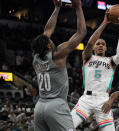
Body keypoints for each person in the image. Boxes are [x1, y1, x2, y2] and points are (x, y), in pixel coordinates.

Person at [31, 0, 87, 130]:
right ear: (48, 45)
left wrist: (56, 8)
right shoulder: (57, 54)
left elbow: (47, 30)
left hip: (40, 107)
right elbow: (81, 32)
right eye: (50, 40)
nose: (51, 39)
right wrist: (78, 8)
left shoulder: (36, 58)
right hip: (56, 105)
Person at [71, 10, 119, 131]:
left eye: (103, 44)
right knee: (66, 127)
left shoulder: (111, 61)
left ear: (106, 48)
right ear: (94, 47)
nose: (100, 45)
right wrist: (104, 23)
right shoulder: (87, 56)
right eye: (98, 44)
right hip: (86, 98)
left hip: (103, 100)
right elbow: (90, 42)